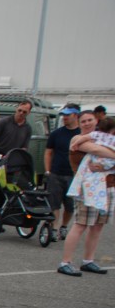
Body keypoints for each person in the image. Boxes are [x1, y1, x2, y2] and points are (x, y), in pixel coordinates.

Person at [57, 117, 115, 276]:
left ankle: (88, 260)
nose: (87, 123)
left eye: (90, 120)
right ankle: (65, 262)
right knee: (80, 224)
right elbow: (97, 150)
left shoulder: (101, 137)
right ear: (79, 124)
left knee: (97, 226)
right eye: (83, 121)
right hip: (87, 189)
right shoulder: (78, 139)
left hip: (107, 187)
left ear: (96, 122)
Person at [0, 100, 33, 208]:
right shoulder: (4, 122)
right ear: (16, 108)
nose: (21, 113)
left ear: (28, 113)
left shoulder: (27, 128)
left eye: (24, 112)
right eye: (19, 110)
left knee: (4, 192)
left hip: (10, 163)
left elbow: (24, 147)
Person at [44, 104, 80, 239]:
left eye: (68, 115)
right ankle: (54, 228)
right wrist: (47, 170)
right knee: (54, 203)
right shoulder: (56, 134)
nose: (64, 117)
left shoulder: (81, 134)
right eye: (63, 114)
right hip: (56, 173)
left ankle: (64, 226)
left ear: (76, 115)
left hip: (73, 175)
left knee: (70, 205)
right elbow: (48, 152)